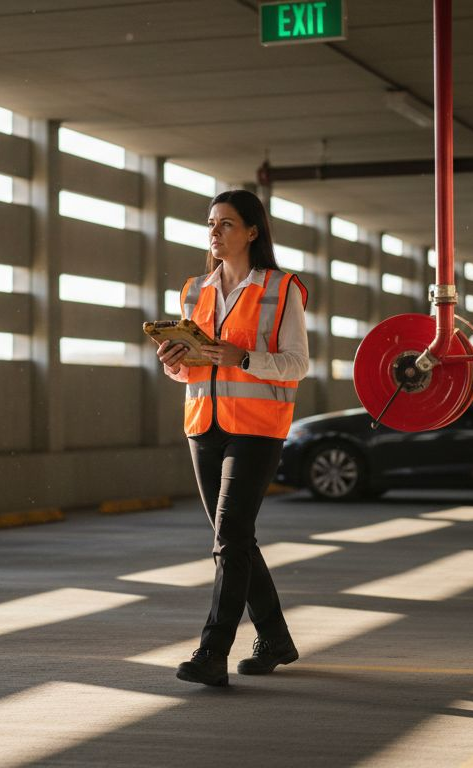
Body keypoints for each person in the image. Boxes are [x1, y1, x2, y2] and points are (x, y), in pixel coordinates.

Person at [156, 189, 309, 686]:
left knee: (230, 540)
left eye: (225, 224)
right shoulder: (193, 290)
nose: (214, 232)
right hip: (204, 424)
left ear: (251, 231)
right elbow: (194, 368)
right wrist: (176, 364)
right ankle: (276, 640)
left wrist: (241, 358)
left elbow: (297, 363)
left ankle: (212, 652)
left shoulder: (281, 288)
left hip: (258, 429)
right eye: (210, 224)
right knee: (234, 541)